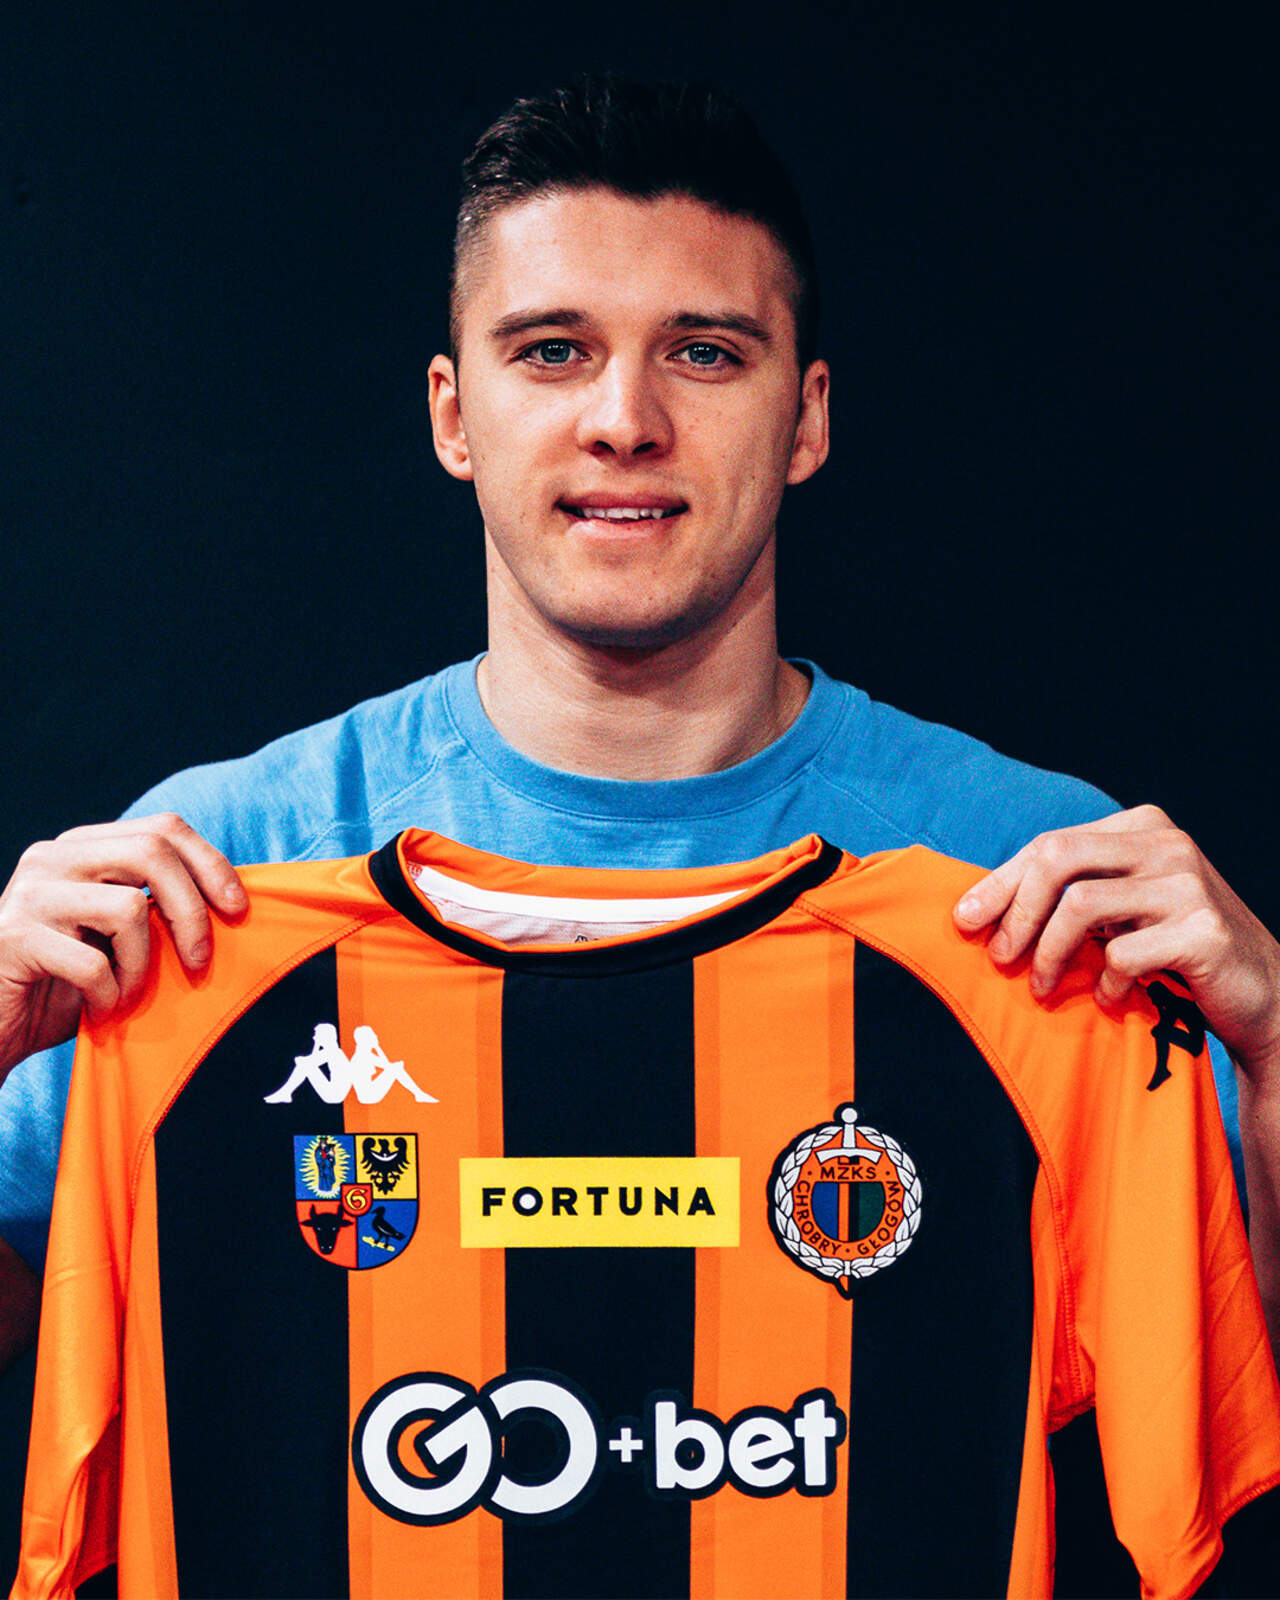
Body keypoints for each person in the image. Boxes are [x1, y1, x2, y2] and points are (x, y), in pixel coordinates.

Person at [0, 73, 1277, 1390]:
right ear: (453, 414)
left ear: (807, 417)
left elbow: (1233, 1386)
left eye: (704, 353)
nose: (625, 422)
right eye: (552, 351)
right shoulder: (221, 877)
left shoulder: (1036, 883)